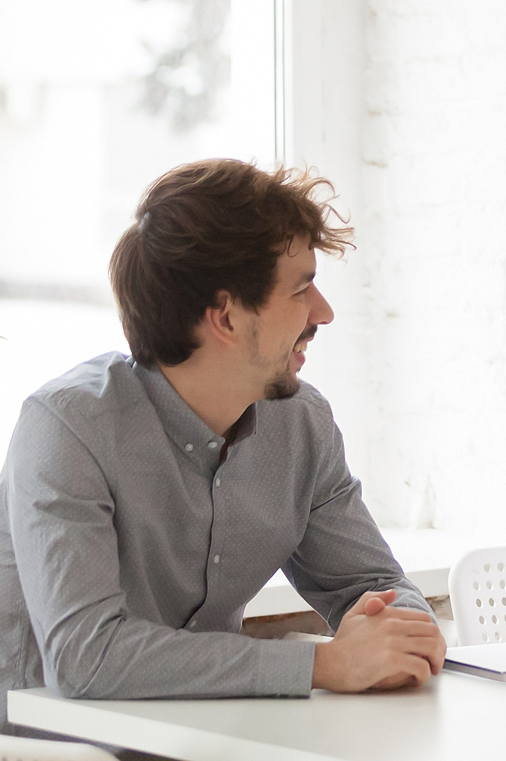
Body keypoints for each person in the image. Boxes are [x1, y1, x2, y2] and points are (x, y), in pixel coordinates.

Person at [0, 160, 446, 725]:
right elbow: (87, 656)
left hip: (217, 739)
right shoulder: (67, 428)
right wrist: (321, 667)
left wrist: (399, 631)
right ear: (226, 317)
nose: (324, 313)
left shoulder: (301, 424)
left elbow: (372, 585)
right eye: (302, 288)